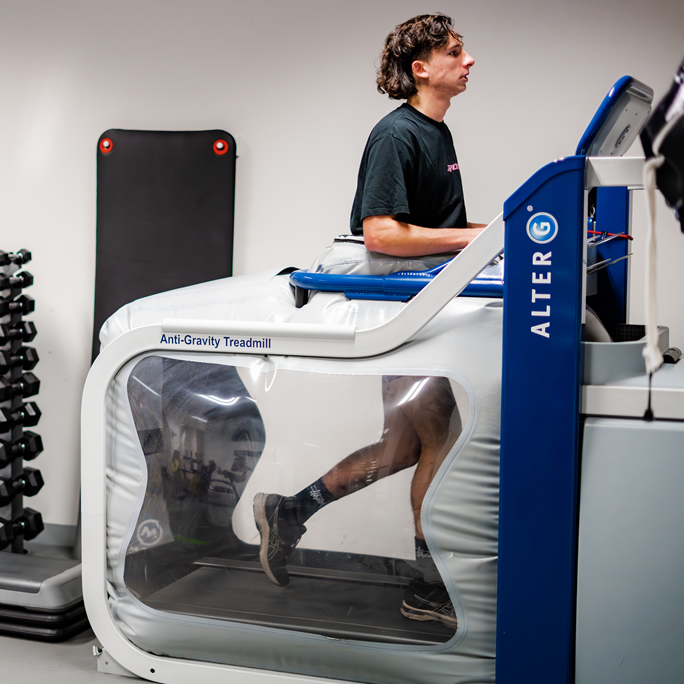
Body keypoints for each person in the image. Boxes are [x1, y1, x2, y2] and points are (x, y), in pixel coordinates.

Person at [253, 13, 481, 630]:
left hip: (418, 309)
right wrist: (479, 237)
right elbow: (380, 233)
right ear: (421, 68)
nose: (469, 61)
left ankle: (290, 510)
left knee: (401, 445)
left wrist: (480, 241)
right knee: (441, 440)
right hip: (402, 316)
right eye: (456, 52)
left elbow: (429, 231)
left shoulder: (439, 134)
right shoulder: (397, 135)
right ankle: (428, 587)